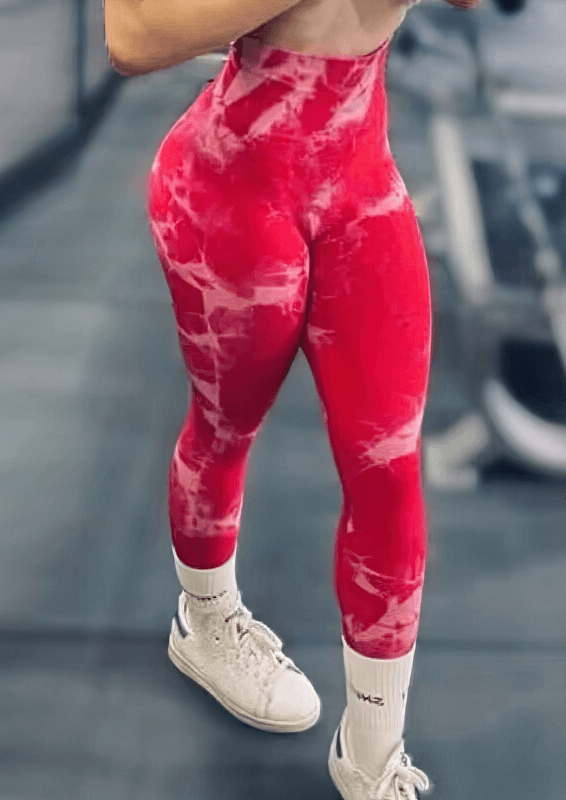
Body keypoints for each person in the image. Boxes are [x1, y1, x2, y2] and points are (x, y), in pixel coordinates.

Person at [103, 0, 477, 796]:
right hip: (232, 190)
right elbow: (131, 36)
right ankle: (206, 624)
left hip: (359, 184)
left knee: (389, 467)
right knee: (225, 427)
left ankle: (372, 756)